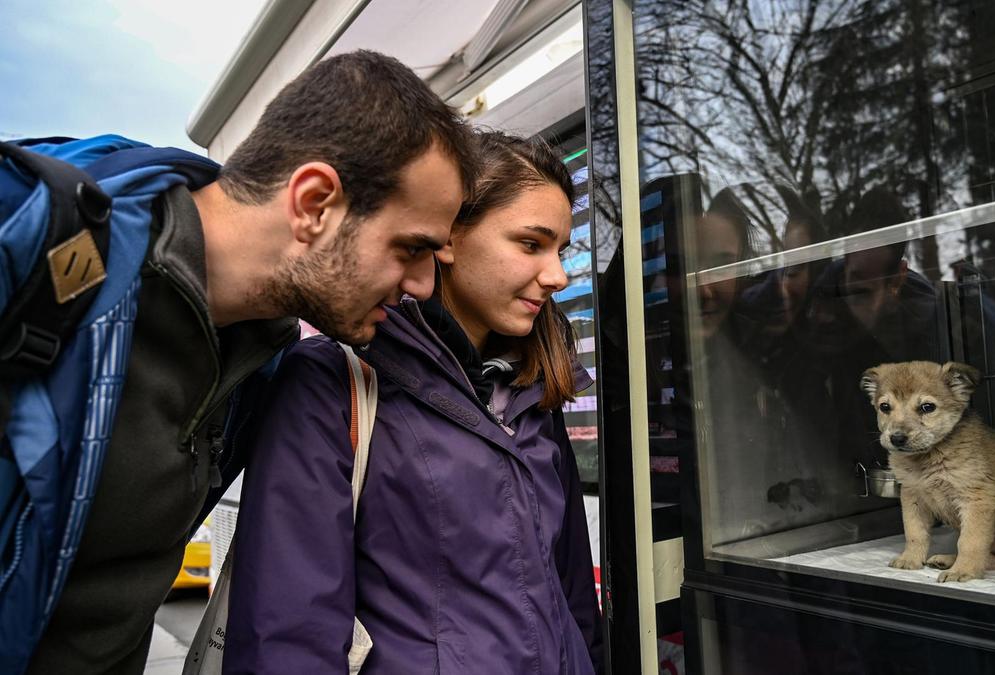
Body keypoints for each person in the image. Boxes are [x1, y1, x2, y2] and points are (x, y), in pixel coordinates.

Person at [5, 50, 476, 674]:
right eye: (410, 248)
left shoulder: (265, 360)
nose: (420, 284)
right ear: (313, 203)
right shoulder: (37, 256)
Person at [224, 131, 602, 674]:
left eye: (561, 250)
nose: (558, 276)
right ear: (448, 236)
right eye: (530, 244)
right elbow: (287, 632)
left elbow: (571, 598)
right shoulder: (333, 381)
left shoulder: (534, 389)